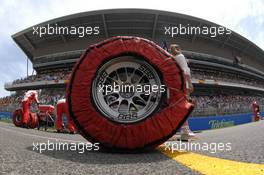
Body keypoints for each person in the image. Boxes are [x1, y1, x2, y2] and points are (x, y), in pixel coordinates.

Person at [170, 44, 196, 141]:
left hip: (175, 86)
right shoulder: (180, 56)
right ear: (178, 49)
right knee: (184, 107)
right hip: (183, 85)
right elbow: (186, 72)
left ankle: (182, 131)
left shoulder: (172, 58)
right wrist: (190, 83)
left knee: (177, 108)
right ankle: (185, 132)